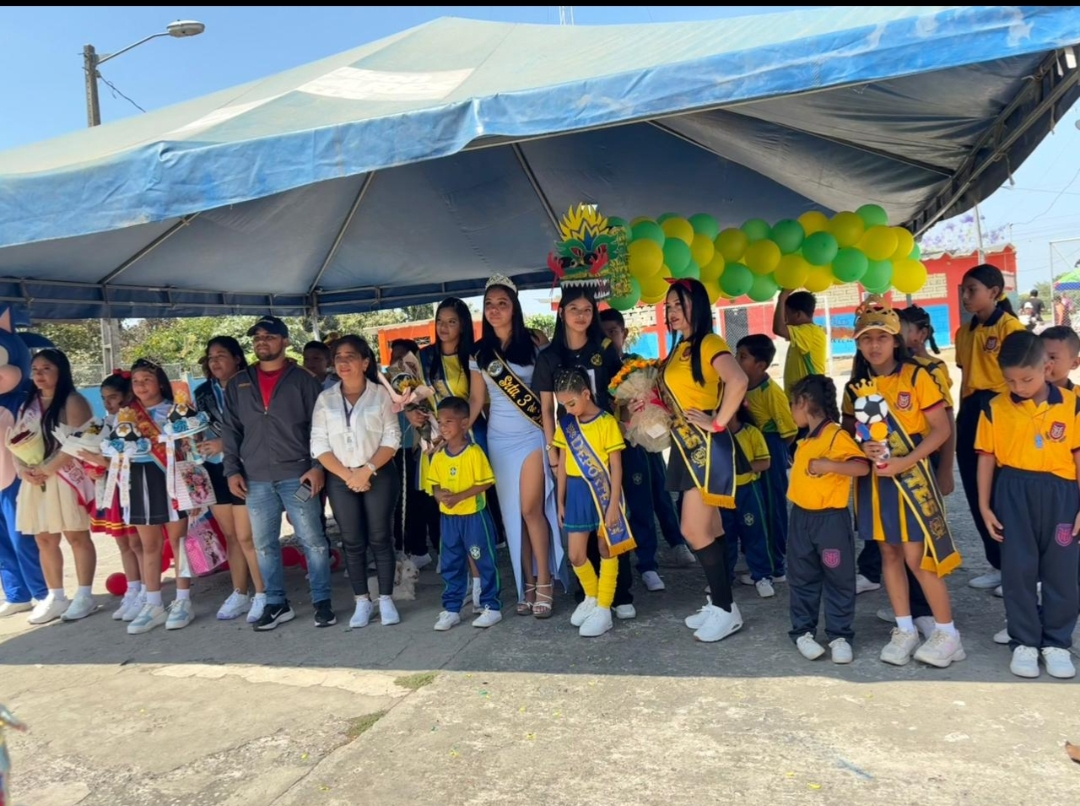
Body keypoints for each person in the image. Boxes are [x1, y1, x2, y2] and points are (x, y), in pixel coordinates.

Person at [844, 298, 964, 668]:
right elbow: (851, 433)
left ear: (896, 340)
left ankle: (948, 634)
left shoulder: (917, 377)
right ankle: (905, 628)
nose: (874, 345)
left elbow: (941, 430)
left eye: (882, 337)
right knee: (889, 554)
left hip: (911, 476)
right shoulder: (856, 387)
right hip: (877, 481)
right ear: (858, 344)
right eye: (867, 339)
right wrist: (863, 447)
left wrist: (906, 462)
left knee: (917, 557)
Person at [976, 330, 1079, 679]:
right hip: (1013, 491)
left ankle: (1057, 642)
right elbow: (986, 458)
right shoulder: (994, 408)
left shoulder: (1072, 404)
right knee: (1017, 570)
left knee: (1061, 572)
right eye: (1010, 381)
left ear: (1045, 367)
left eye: (1027, 379)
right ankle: (1024, 641)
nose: (1018, 387)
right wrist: (984, 506)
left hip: (1062, 494)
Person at [223, 315, 332, 631]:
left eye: (269, 336)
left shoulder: (303, 380)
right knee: (264, 544)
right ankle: (276, 603)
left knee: (313, 541)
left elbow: (320, 428)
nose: (261, 342)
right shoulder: (239, 383)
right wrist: (232, 470)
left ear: (284, 341)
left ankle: (322, 602)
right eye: (257, 337)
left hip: (298, 474)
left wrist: (317, 467)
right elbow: (231, 430)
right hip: (255, 478)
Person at [469, 275, 566, 617]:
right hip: (499, 439)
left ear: (515, 308)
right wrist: (453, 427)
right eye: (489, 305)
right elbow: (476, 400)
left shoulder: (535, 343)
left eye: (502, 303)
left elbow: (549, 395)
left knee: (530, 510)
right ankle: (527, 583)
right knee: (513, 516)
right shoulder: (479, 353)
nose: (495, 310)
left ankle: (545, 581)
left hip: (532, 435)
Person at [535, 288, 637, 614]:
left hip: (606, 445)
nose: (581, 316)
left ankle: (621, 594)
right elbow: (546, 409)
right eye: (574, 309)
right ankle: (589, 595)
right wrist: (552, 452)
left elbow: (620, 392)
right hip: (572, 449)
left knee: (612, 519)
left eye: (587, 310)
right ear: (561, 312)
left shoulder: (603, 349)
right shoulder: (549, 357)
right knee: (580, 526)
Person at [661, 279, 749, 643]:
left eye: (679, 304)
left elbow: (738, 379)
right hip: (686, 448)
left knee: (693, 530)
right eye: (668, 306)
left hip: (706, 449)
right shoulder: (680, 347)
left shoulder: (709, 343)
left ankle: (726, 610)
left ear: (696, 305)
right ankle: (719, 603)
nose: (672, 312)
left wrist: (717, 422)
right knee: (711, 530)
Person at [311, 335, 401, 629]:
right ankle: (362, 600)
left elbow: (392, 437)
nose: (343, 362)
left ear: (365, 362)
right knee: (352, 541)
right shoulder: (326, 399)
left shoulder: (381, 394)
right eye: (338, 357)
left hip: (379, 473)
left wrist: (367, 470)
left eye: (350, 356)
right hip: (341, 478)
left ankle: (385, 599)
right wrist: (348, 475)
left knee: (380, 537)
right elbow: (319, 444)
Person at [599, 309, 695, 574]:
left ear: (624, 333)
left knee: (661, 492)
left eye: (612, 332)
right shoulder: (599, 368)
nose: (608, 339)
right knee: (637, 499)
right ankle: (646, 562)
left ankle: (677, 544)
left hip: (648, 439)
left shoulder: (637, 365)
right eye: (602, 334)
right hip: (619, 443)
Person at [786, 375, 869, 664]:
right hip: (801, 518)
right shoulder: (806, 438)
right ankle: (803, 632)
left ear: (803, 402)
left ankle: (840, 635)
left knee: (838, 578)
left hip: (830, 521)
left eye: (792, 404)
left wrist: (827, 465)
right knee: (801, 577)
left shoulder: (835, 435)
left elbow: (861, 467)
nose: (791, 411)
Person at [954, 264, 1025, 590]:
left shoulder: (1011, 328)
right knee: (976, 489)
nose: (965, 296)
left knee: (1004, 492)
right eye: (963, 290)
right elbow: (965, 377)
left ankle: (1019, 568)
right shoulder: (963, 332)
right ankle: (997, 563)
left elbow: (1023, 381)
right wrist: (962, 414)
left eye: (972, 290)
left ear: (994, 292)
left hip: (1001, 410)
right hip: (971, 410)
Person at [12, 349, 96, 625]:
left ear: (61, 371)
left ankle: (84, 594)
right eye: (35, 369)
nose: (39, 374)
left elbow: (79, 442)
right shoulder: (28, 404)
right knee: (44, 539)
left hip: (65, 478)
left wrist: (47, 468)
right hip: (36, 480)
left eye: (46, 368)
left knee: (76, 536)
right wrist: (22, 469)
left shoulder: (73, 401)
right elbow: (16, 440)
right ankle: (56, 595)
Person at [420, 297, 494, 607]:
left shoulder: (472, 355)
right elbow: (414, 397)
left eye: (452, 321)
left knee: (471, 510)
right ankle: (458, 583)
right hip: (437, 439)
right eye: (440, 321)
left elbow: (479, 399)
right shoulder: (424, 357)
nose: (444, 327)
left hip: (469, 434)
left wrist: (460, 430)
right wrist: (421, 421)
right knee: (447, 508)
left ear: (463, 324)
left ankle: (479, 583)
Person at [115, 359, 193, 634]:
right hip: (138, 480)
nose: (141, 386)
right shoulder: (126, 414)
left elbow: (190, 443)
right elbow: (115, 446)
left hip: (170, 478)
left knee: (179, 541)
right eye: (136, 382)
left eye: (147, 380)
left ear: (160, 382)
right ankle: (153, 603)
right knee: (149, 545)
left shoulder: (176, 410)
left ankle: (183, 600)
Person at [555, 367, 631, 637]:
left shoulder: (606, 422)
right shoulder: (567, 425)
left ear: (586, 394)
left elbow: (616, 467)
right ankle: (591, 596)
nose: (568, 409)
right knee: (576, 554)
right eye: (563, 405)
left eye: (571, 403)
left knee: (605, 548)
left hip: (604, 491)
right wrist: (561, 500)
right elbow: (563, 463)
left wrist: (613, 505)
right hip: (576, 492)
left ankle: (604, 608)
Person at [196, 336, 266, 624]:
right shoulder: (202, 392)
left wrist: (224, 443)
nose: (215, 361)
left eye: (221, 355)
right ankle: (240, 592)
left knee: (248, 536)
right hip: (215, 469)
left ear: (237, 358)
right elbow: (197, 427)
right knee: (231, 536)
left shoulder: (251, 385)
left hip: (247, 467)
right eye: (211, 357)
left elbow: (260, 426)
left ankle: (263, 593)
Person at [428, 396, 502, 630]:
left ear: (463, 423)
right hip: (449, 519)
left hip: (473, 516)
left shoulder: (473, 452)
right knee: (451, 562)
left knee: (483, 559)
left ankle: (491, 606)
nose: (443, 427)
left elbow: (486, 482)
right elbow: (433, 483)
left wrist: (460, 497)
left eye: (449, 421)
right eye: (440, 422)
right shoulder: (439, 455)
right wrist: (439, 495)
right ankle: (452, 608)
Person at [83, 371, 144, 622]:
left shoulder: (135, 422)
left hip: (131, 486)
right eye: (104, 398)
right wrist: (91, 464)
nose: (107, 403)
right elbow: (89, 448)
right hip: (112, 488)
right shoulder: (101, 424)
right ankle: (133, 589)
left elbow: (135, 458)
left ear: (127, 395)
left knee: (138, 542)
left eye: (113, 397)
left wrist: (105, 462)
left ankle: (146, 590)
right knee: (123, 543)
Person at [735, 334, 796, 582]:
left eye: (743, 357)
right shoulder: (740, 386)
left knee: (772, 509)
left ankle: (775, 566)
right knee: (755, 507)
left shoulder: (771, 392)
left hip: (770, 449)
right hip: (752, 447)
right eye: (737, 355)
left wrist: (776, 454)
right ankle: (758, 561)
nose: (736, 360)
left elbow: (789, 432)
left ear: (760, 365)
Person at [390, 338, 439, 570]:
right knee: (407, 502)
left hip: (423, 447)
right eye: (394, 356)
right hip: (399, 448)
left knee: (428, 500)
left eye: (403, 356)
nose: (398, 360)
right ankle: (414, 548)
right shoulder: (388, 383)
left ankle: (436, 549)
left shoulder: (425, 381)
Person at [722, 406, 777, 597]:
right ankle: (724, 578)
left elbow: (765, 462)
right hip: (723, 492)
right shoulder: (715, 435)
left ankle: (762, 576)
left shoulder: (751, 432)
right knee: (725, 537)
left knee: (755, 534)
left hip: (747, 490)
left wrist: (740, 468)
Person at [773, 289, 827, 398]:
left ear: (798, 314)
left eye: (786, 316)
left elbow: (779, 329)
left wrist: (781, 299)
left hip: (808, 398)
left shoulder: (809, 332)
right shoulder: (803, 334)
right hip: (800, 398)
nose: (785, 321)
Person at [1040, 326, 1080, 393]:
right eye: (1038, 355)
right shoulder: (1023, 393)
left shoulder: (1077, 396)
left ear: (1074, 363)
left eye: (1052, 357)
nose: (1043, 362)